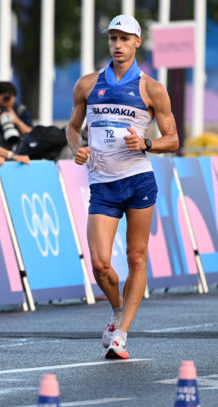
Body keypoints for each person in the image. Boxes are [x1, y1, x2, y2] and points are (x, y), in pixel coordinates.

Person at [66, 15, 179, 359]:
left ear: (137, 43)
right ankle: (117, 310)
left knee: (136, 257)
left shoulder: (152, 88)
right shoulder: (87, 84)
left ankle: (122, 334)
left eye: (124, 38)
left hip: (137, 180)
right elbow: (71, 128)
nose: (117, 44)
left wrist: (145, 144)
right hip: (102, 183)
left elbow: (173, 139)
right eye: (113, 38)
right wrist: (78, 148)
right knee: (100, 264)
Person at [0, 81, 33, 152]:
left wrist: (17, 121)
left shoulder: (20, 110)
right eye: (0, 107)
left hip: (14, 150)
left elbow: (32, 135)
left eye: (8, 107)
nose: (3, 110)